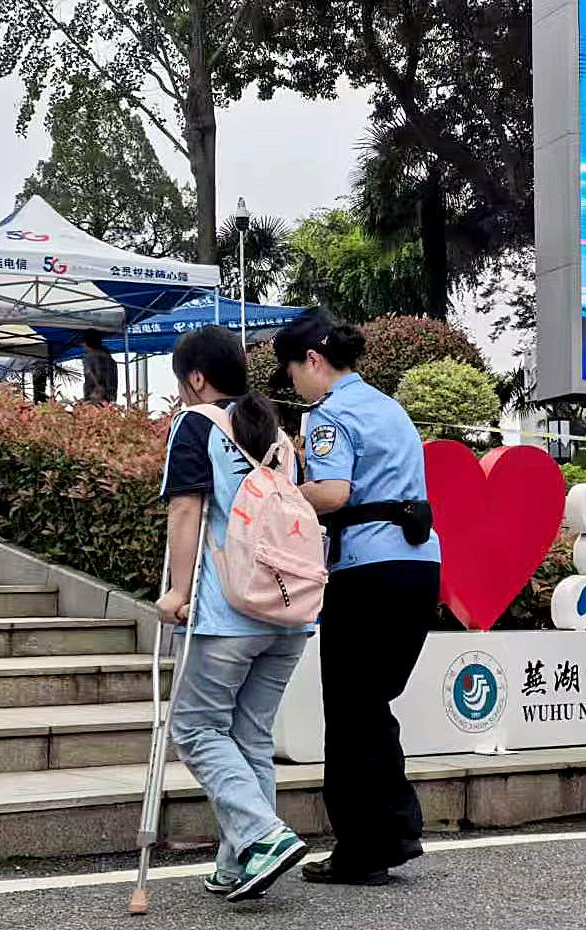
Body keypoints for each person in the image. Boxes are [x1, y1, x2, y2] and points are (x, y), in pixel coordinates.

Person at [273, 313, 441, 886]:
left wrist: (276, 493)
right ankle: (391, 831)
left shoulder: (330, 414)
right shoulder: (389, 407)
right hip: (419, 566)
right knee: (371, 703)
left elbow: (333, 492)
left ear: (312, 361)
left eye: (291, 372)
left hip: (367, 571)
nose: (294, 384)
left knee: (349, 710)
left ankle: (365, 848)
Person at [156, 325, 312, 902]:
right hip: (290, 611)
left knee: (196, 728)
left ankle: (263, 836)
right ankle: (239, 861)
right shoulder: (278, 435)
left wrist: (177, 592)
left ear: (196, 378)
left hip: (229, 612)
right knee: (250, 735)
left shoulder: (195, 423)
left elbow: (186, 509)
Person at [82, 329, 118, 404]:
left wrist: (91, 397)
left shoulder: (90, 357)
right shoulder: (109, 358)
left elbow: (92, 375)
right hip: (108, 398)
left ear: (87, 343)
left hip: (96, 398)